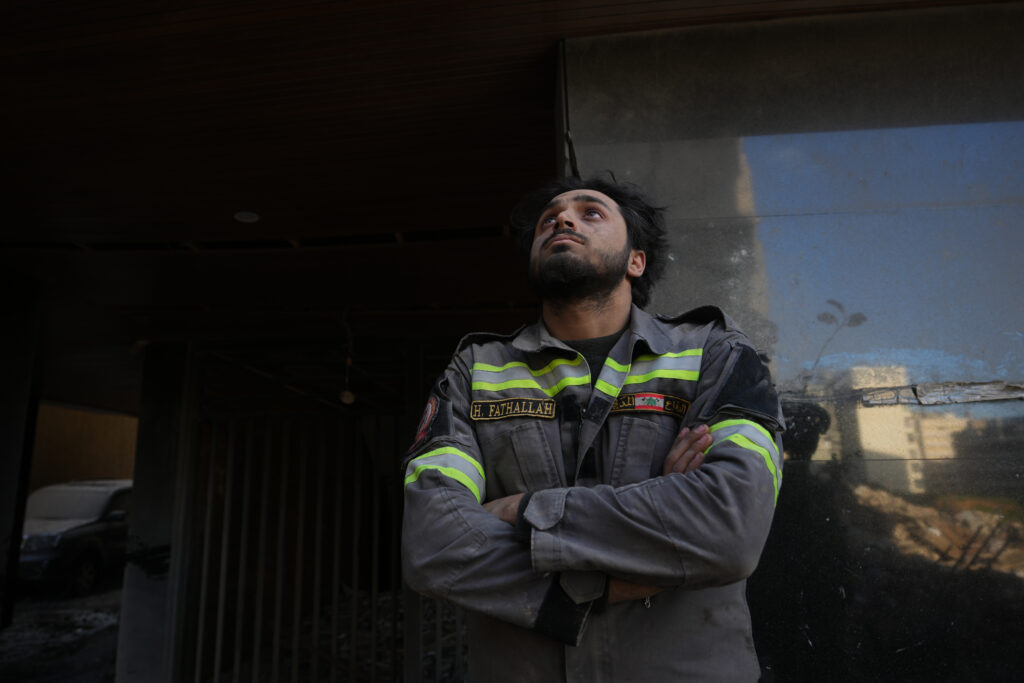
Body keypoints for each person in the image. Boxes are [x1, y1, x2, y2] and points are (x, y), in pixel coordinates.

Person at [401, 175, 784, 681]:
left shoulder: (713, 354)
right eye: (549, 219)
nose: (562, 219)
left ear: (635, 260)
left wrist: (522, 511)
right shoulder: (475, 370)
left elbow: (729, 527)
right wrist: (599, 583)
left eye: (591, 213)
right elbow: (433, 544)